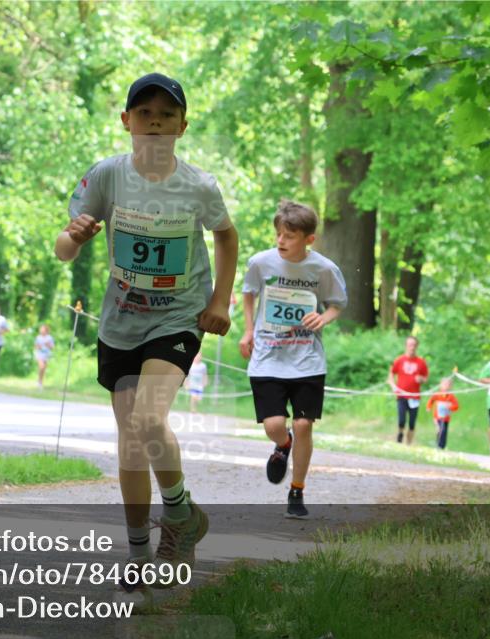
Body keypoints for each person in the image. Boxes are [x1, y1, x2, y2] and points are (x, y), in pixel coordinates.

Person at [55, 73, 238, 602]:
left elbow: (225, 234)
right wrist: (74, 237)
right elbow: (64, 251)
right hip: (121, 322)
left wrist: (220, 301)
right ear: (126, 121)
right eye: (144, 112)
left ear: (182, 125)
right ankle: (138, 555)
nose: (154, 120)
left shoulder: (199, 185)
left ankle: (178, 514)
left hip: (178, 316)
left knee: (149, 418)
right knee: (132, 443)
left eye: (165, 113)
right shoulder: (107, 177)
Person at [240, 199, 347, 518]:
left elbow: (337, 303)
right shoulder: (261, 263)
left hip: (307, 360)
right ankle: (282, 445)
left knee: (303, 424)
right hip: (268, 356)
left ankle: (297, 491)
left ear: (308, 239)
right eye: (278, 234)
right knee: (275, 425)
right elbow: (248, 293)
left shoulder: (324, 269)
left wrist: (323, 318)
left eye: (289, 236)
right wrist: (248, 331)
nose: (280, 241)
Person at [388, 336, 429, 445]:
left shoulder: (421, 362)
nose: (412, 347)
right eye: (410, 345)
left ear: (417, 347)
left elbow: (425, 378)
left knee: (412, 423)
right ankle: (399, 437)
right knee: (401, 420)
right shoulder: (399, 360)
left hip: (414, 397)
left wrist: (421, 379)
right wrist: (393, 385)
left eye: (414, 345)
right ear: (406, 346)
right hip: (401, 396)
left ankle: (408, 445)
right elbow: (391, 374)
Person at [426, 377, 460, 450]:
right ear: (440, 385)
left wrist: (450, 406)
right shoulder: (437, 394)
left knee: (444, 431)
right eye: (444, 384)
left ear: (450, 386)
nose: (446, 386)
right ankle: (439, 445)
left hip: (446, 418)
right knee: (440, 429)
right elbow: (431, 400)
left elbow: (456, 406)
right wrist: (428, 407)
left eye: (448, 385)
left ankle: (442, 446)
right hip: (437, 417)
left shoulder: (451, 397)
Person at [33, 324, 55, 389]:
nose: (41, 330)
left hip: (47, 354)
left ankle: (41, 382)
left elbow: (52, 347)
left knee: (44, 369)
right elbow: (35, 346)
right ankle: (39, 381)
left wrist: (48, 344)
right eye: (41, 329)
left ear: (46, 330)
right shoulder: (38, 337)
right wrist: (39, 346)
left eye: (42, 329)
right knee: (41, 367)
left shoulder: (49, 338)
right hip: (39, 354)